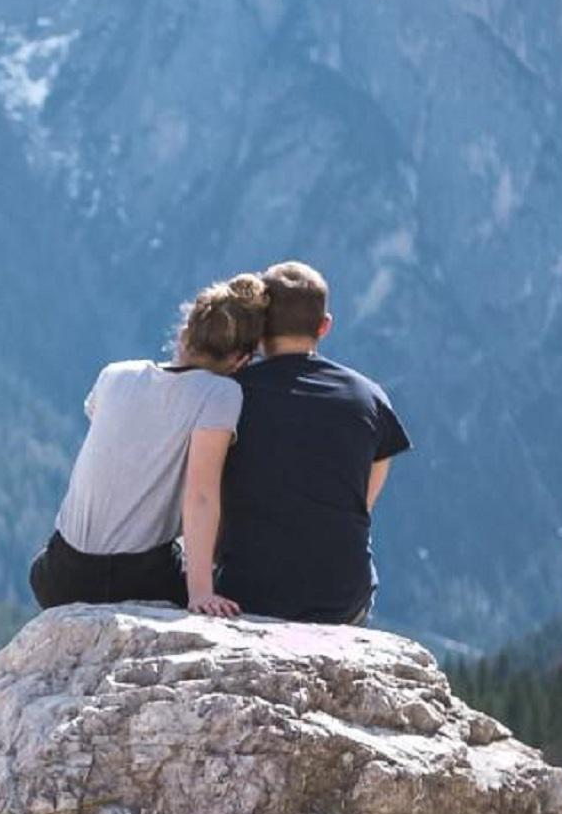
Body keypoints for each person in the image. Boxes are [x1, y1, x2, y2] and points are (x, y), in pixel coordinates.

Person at [30, 274, 266, 614]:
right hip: (135, 578)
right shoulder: (220, 394)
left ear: (185, 334)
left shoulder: (115, 374)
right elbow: (200, 495)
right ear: (241, 361)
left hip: (60, 574)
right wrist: (200, 593)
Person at [216, 261, 410, 624]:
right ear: (324, 326)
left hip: (250, 593)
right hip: (342, 598)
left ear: (258, 327)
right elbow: (361, 501)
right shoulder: (370, 398)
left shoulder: (229, 395)